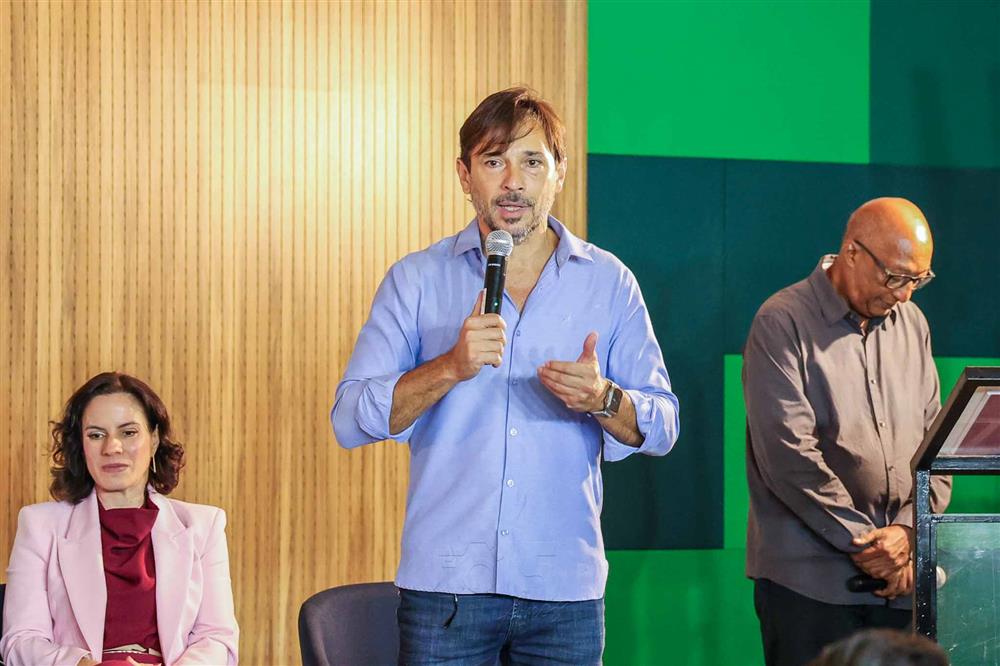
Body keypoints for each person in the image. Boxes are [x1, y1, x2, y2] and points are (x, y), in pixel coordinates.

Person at [331, 87, 679, 664]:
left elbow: (663, 425)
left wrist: (603, 397)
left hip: (564, 591)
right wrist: (449, 367)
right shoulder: (416, 279)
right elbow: (349, 419)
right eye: (494, 161)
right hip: (447, 592)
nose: (513, 182)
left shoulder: (610, 282)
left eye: (532, 162)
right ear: (464, 175)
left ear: (559, 172)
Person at [743, 197, 952, 666]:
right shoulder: (782, 321)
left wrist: (906, 532)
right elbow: (789, 458)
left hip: (900, 585)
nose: (905, 295)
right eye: (895, 277)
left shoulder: (913, 324)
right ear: (852, 253)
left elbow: (935, 447)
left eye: (918, 280)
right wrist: (872, 546)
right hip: (809, 587)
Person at [0, 372, 239, 666]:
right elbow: (20, 641)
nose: (112, 447)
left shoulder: (204, 525)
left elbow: (216, 640)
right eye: (96, 435)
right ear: (81, 446)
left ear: (153, 440)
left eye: (128, 433)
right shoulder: (39, 525)